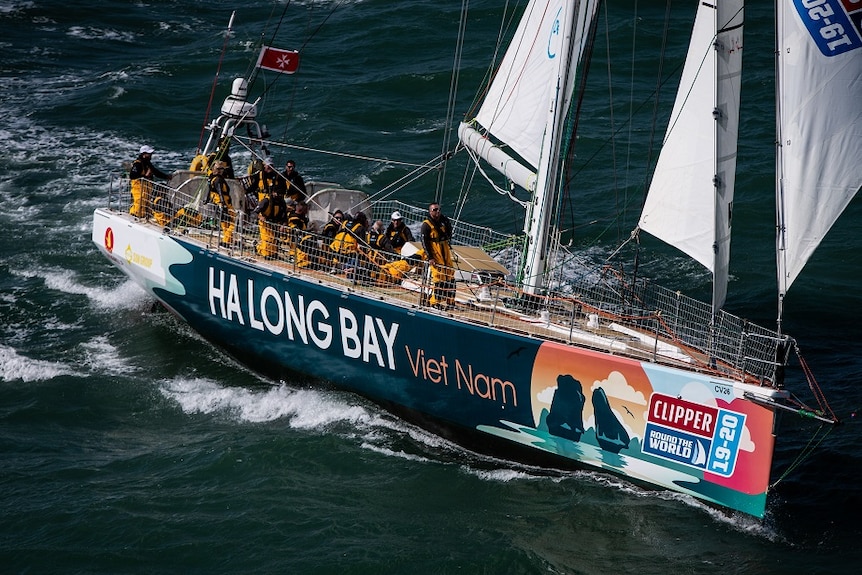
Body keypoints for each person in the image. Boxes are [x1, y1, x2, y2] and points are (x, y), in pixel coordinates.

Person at [420, 202, 455, 309]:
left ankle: (450, 301)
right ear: (430, 211)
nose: (437, 211)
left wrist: (447, 224)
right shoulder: (426, 225)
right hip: (435, 253)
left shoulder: (443, 221)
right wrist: (430, 257)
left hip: (445, 250)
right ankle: (434, 302)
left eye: (438, 209)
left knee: (450, 275)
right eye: (435, 210)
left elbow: (449, 233)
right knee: (438, 277)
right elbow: (424, 242)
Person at [129, 144, 170, 218]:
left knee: (146, 203)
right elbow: (132, 175)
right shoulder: (137, 164)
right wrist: (145, 176)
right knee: (139, 203)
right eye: (149, 154)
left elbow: (155, 172)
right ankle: (134, 215)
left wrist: (166, 177)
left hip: (146, 190)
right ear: (144, 154)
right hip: (138, 190)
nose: (151, 155)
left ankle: (144, 216)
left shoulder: (147, 163)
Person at [251, 186, 288, 259]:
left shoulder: (282, 202)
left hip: (275, 224)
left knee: (274, 241)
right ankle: (258, 248)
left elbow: (284, 217)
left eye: (281, 194)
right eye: (279, 194)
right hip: (265, 224)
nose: (280, 196)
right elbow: (254, 213)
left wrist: (283, 225)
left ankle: (273, 254)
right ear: (274, 193)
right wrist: (260, 217)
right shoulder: (266, 201)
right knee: (268, 240)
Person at [208, 161, 235, 247]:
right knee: (234, 221)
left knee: (225, 222)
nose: (219, 171)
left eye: (221, 169)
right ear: (213, 169)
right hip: (223, 203)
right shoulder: (218, 179)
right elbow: (220, 191)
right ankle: (226, 240)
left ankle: (228, 240)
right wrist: (223, 203)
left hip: (218, 203)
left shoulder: (212, 178)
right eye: (218, 169)